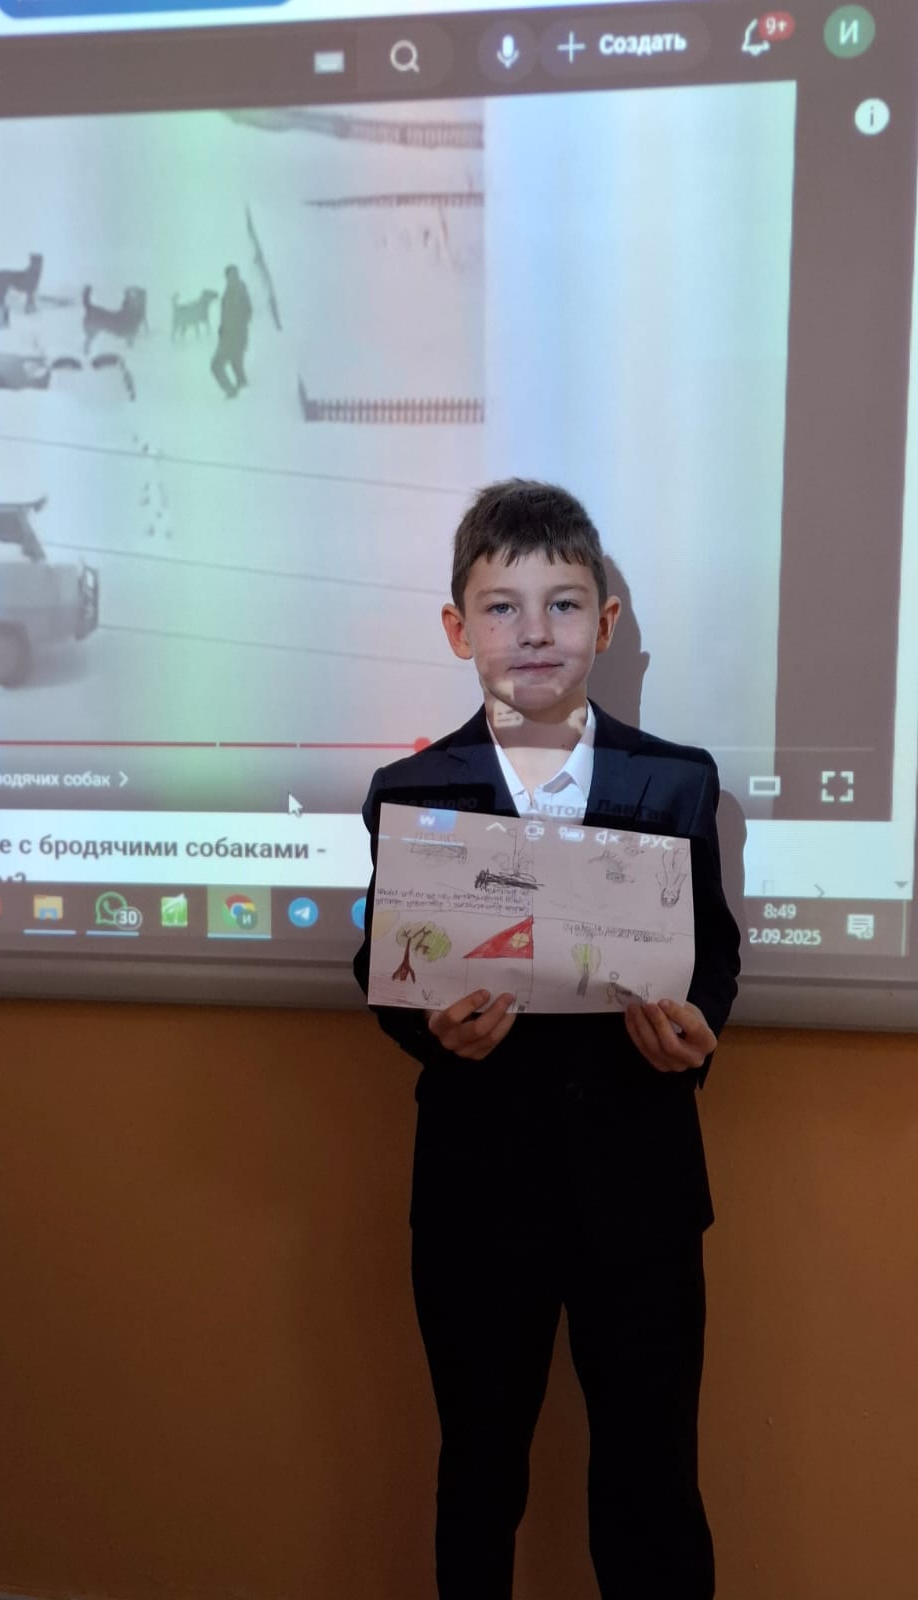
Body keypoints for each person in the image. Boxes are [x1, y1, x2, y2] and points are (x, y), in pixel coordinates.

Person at [353, 479, 740, 1600]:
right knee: (479, 1472)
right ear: (458, 628)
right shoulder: (409, 790)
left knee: (653, 1480)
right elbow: (385, 966)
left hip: (642, 1187)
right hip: (477, 1193)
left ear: (604, 624)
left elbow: (712, 954)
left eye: (564, 605)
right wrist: (432, 1032)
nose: (534, 633)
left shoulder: (677, 780)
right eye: (503, 607)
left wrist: (698, 1030)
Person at [211, 264, 252, 398]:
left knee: (216, 365)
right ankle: (246, 395)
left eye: (235, 275)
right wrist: (222, 328)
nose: (232, 278)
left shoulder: (237, 291)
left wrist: (235, 330)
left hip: (233, 339)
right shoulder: (233, 290)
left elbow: (247, 313)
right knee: (237, 367)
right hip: (233, 337)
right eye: (230, 275)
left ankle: (231, 391)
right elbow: (232, 314)